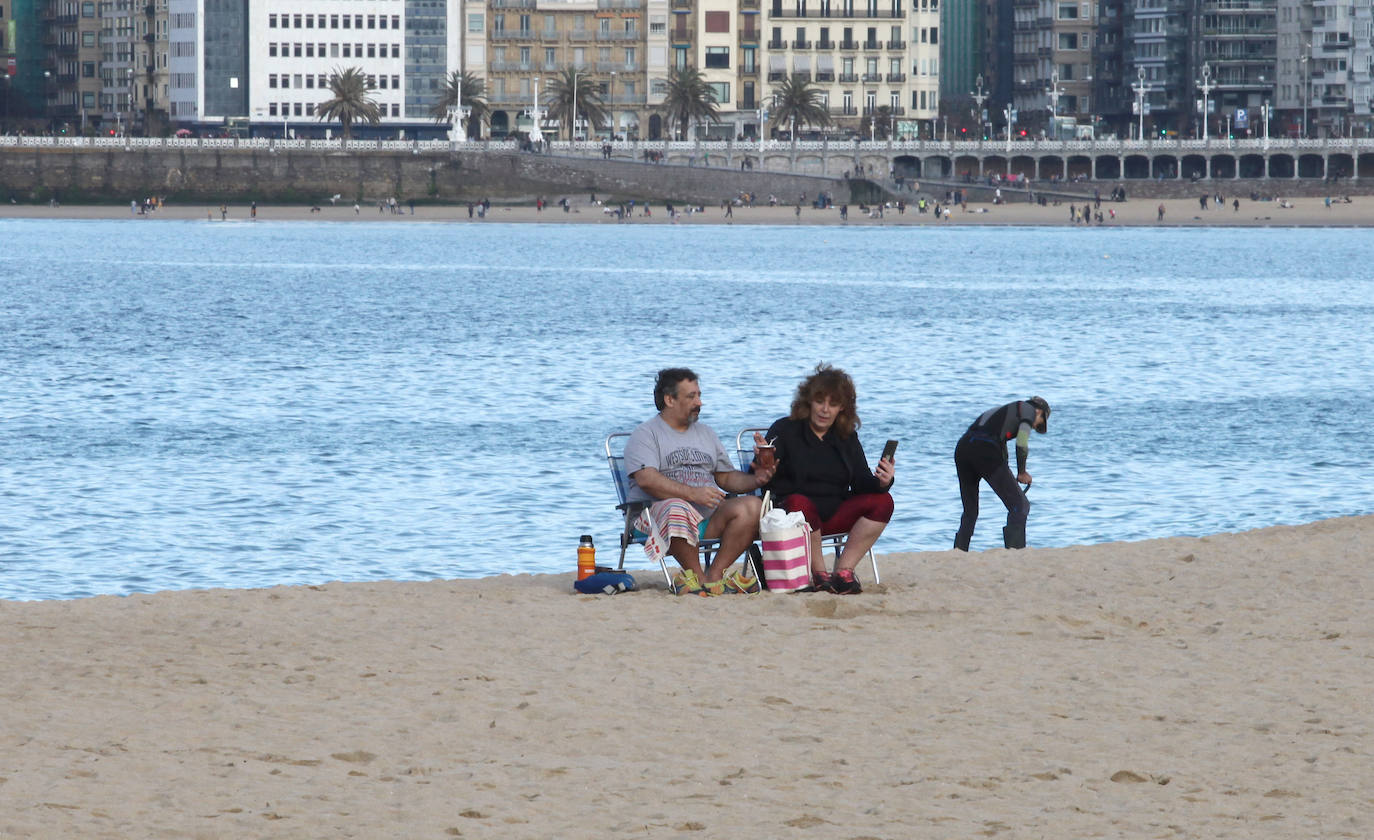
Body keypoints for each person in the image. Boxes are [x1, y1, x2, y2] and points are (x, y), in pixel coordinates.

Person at [625, 369, 775, 596]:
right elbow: (647, 480)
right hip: (658, 519)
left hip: (708, 517)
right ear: (670, 399)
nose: (699, 402)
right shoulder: (646, 435)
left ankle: (714, 576)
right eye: (691, 396)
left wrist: (756, 479)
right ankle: (697, 576)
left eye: (699, 395)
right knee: (677, 507)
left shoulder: (706, 433)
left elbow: (725, 477)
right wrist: (692, 494)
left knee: (753, 506)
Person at [755, 365, 894, 594]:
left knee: (884, 501)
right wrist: (764, 463)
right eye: (820, 401)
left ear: (842, 408)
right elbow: (765, 480)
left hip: (834, 511)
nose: (825, 410)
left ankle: (844, 571)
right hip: (796, 517)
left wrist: (882, 481)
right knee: (799, 503)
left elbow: (861, 482)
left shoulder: (846, 435)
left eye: (833, 403)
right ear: (808, 401)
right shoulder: (786, 429)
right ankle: (820, 574)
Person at [952, 397, 1051, 552]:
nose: (1034, 426)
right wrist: (1022, 472)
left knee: (970, 511)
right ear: (1039, 411)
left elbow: (1001, 452)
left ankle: (959, 551)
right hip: (985, 450)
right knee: (1020, 505)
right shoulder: (1029, 411)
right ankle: (1015, 553)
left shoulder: (1001, 412)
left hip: (963, 448)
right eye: (1039, 422)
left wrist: (1011, 476)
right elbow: (1022, 443)